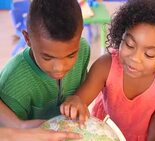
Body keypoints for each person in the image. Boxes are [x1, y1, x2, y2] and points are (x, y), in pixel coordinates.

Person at [60, 0, 155, 140]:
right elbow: (79, 100)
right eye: (129, 44)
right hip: (104, 135)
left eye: (149, 54)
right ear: (122, 36)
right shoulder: (106, 65)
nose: (135, 58)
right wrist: (74, 102)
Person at [0, 0, 90, 128]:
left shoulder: (83, 49)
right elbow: (9, 131)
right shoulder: (14, 80)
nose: (59, 68)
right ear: (27, 38)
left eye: (71, 55)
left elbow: (83, 90)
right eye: (47, 57)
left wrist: (78, 99)